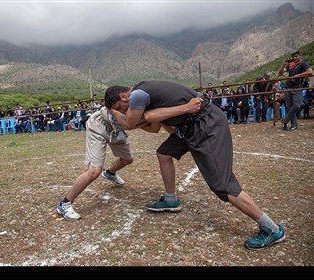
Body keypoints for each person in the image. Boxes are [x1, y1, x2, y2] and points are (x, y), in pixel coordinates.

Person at [105, 80, 285, 250]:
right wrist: (143, 118)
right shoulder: (145, 96)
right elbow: (154, 127)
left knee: (223, 185)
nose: (124, 111)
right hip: (189, 127)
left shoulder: (137, 95)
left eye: (121, 108)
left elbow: (130, 122)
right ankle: (170, 199)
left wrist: (114, 114)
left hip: (206, 125)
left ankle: (272, 229)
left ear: (123, 97)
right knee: (164, 152)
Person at [56, 99, 202, 221]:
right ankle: (64, 203)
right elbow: (113, 108)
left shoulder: (154, 114)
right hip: (99, 127)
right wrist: (117, 112)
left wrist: (144, 121)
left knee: (127, 160)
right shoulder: (131, 105)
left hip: (117, 132)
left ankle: (110, 173)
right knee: (94, 171)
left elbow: (154, 129)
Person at [278, 50, 313, 131]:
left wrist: (298, 75)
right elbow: (280, 73)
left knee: (297, 105)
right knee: (290, 107)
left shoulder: (303, 63)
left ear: (300, 56)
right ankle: (294, 125)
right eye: (293, 56)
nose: (294, 58)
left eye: (296, 56)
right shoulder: (290, 64)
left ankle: (285, 120)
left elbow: (310, 72)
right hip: (288, 87)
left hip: (297, 87)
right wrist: (283, 65)